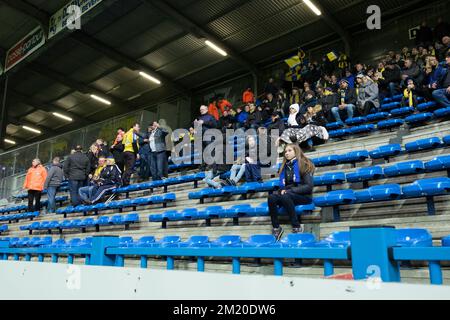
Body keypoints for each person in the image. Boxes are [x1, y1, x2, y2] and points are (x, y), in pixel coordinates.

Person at [268, 144, 315, 240]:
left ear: (296, 151)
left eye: (289, 150)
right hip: (290, 194)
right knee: (272, 197)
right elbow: (287, 185)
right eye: (285, 151)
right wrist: (281, 191)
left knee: (286, 195)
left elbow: (308, 186)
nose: (286, 153)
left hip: (304, 196)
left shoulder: (304, 164)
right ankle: (276, 228)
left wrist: (289, 190)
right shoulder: (286, 167)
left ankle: (296, 226)